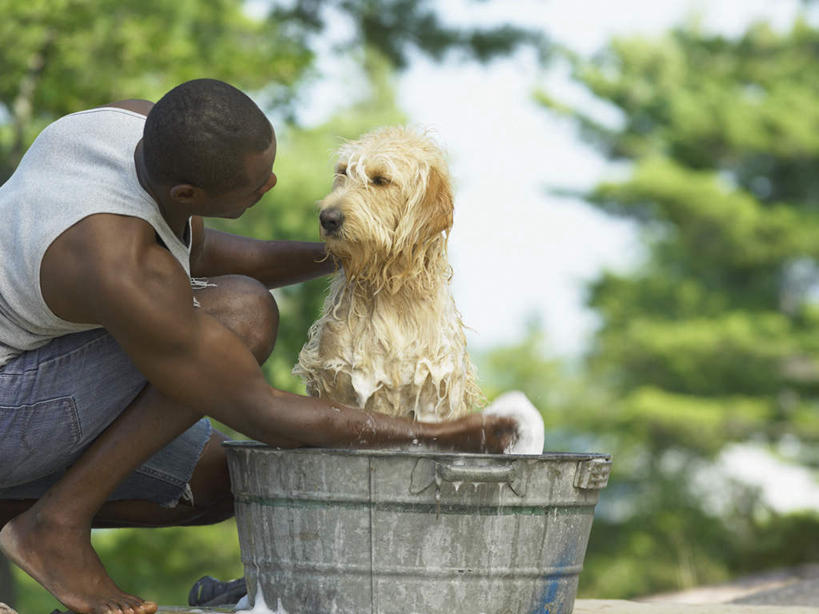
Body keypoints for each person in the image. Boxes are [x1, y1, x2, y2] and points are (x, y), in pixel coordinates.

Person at [0, 79, 516, 614]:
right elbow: (261, 411)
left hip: (33, 366)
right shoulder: (117, 265)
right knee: (241, 314)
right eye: (253, 186)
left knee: (229, 480)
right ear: (188, 197)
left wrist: (362, 249)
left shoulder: (136, 129)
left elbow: (203, 249)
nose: (270, 183)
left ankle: (15, 514)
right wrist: (437, 436)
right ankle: (55, 525)